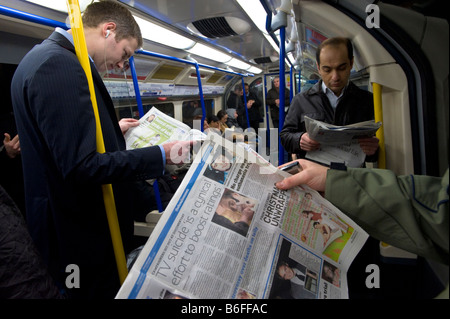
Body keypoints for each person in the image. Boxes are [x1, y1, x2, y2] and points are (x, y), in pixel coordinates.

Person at [10, 0, 191, 299]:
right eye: (126, 53)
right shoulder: (59, 66)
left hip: (69, 229)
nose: (123, 64)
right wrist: (161, 155)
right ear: (109, 30)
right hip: (76, 236)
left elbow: (58, 143)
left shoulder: (41, 57)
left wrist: (110, 130)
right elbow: (79, 166)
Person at [276, 158, 449, 298]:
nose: (288, 273)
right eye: (284, 274)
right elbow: (437, 213)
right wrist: (334, 185)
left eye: (284, 270)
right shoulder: (296, 292)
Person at [280, 37, 379, 162]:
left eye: (341, 68)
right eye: (327, 70)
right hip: (312, 174)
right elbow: (285, 136)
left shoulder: (367, 100)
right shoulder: (301, 100)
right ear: (318, 68)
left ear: (351, 63)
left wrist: (374, 150)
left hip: (351, 175)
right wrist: (299, 139)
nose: (335, 77)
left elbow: (377, 150)